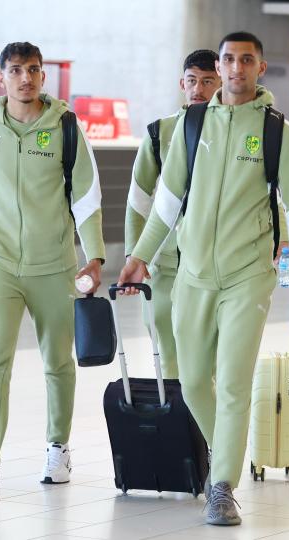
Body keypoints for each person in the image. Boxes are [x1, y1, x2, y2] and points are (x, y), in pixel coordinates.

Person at [117, 31, 289, 526]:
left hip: (248, 276)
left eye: (246, 60)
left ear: (260, 68)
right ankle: (225, 451)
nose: (236, 68)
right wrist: (140, 256)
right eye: (229, 59)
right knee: (192, 383)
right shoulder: (193, 123)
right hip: (193, 275)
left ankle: (222, 485)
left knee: (231, 382)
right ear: (221, 65)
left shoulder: (276, 132)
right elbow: (167, 201)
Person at [0, 42, 105, 497]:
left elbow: (86, 197)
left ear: (43, 76)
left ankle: (58, 447)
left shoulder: (66, 127)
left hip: (55, 266)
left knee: (58, 362)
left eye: (32, 69)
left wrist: (95, 256)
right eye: (15, 70)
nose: (25, 78)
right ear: (1, 78)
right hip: (1, 264)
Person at [125, 49, 221, 380]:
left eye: (207, 81)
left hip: (213, 266)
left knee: (210, 363)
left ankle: (209, 416)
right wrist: (134, 255)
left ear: (221, 83)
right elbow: (138, 201)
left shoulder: (232, 134)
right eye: (192, 81)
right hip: (163, 267)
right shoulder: (159, 133)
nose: (198, 89)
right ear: (182, 83)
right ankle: (177, 415)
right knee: (168, 358)